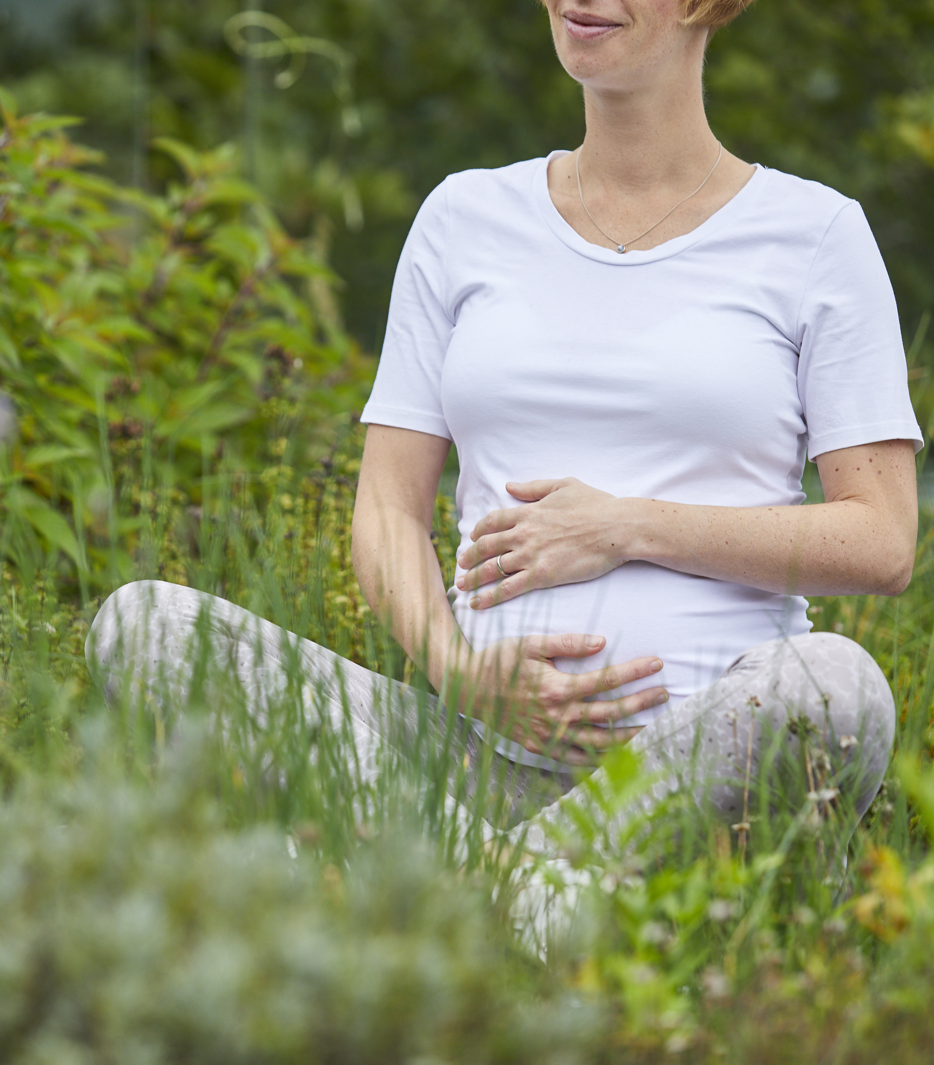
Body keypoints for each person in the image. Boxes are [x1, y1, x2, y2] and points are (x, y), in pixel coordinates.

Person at [89, 0, 922, 855]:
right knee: (144, 624)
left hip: (696, 767)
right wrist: (460, 674)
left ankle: (457, 887)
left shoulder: (816, 234)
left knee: (837, 689)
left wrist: (626, 527)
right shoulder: (463, 218)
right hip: (461, 754)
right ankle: (529, 891)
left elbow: (881, 540)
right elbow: (387, 511)